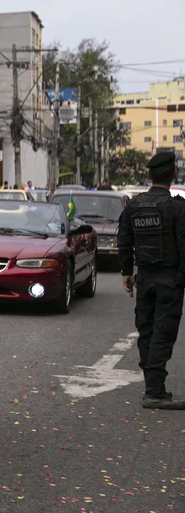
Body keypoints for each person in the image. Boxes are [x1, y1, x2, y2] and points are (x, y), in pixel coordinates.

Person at [118, 151, 185, 410]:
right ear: (174, 175)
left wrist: (127, 273)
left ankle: (153, 387)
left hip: (144, 279)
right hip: (169, 281)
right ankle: (154, 392)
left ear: (148, 175)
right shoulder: (178, 208)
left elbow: (124, 241)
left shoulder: (134, 205)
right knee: (162, 334)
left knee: (146, 332)